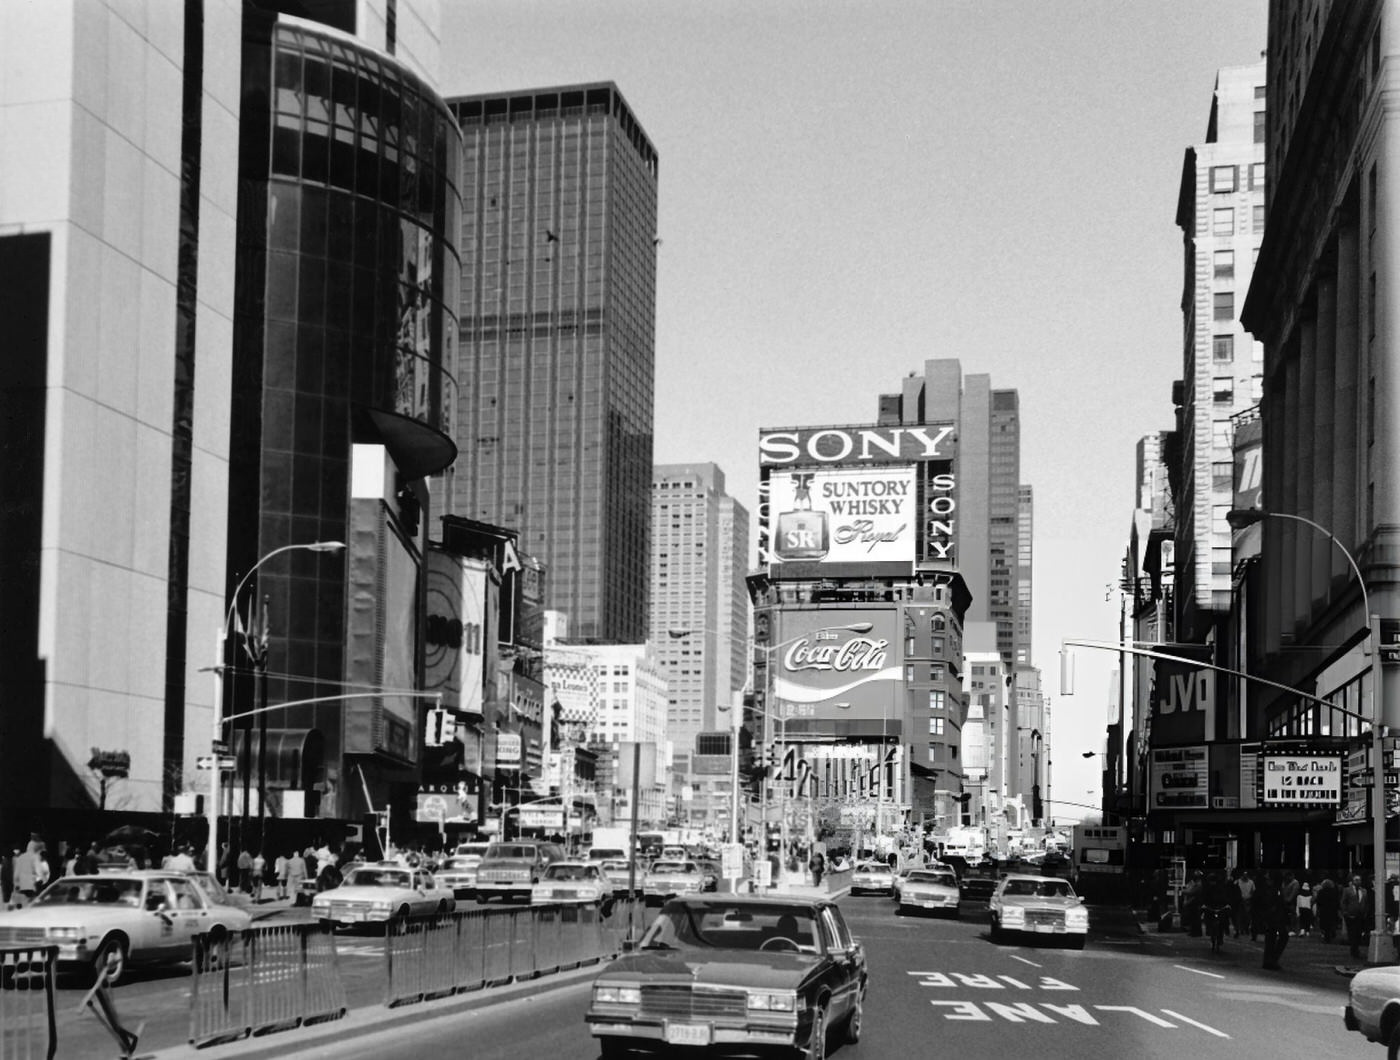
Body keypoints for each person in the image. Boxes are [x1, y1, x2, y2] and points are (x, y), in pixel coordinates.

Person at [1259, 871, 1289, 970]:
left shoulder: (1271, 889)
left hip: (1272, 917)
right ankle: (1272, 959)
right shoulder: (1274, 890)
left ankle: (1269, 960)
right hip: (1275, 918)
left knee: (1271, 938)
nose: (1267, 880)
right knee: (1281, 937)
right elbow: (1275, 905)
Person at [1342, 873, 1371, 960]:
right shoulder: (1347, 890)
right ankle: (1354, 950)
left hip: (1360, 916)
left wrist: (1365, 912)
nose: (1358, 882)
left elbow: (1366, 903)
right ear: (1353, 881)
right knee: (1352, 933)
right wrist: (1345, 912)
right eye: (1356, 880)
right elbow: (1343, 902)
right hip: (1350, 915)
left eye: (1359, 880)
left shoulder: (1364, 891)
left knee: (1358, 933)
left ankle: (1355, 948)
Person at [1314, 874, 1341, 944]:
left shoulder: (1321, 892)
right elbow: (1337, 901)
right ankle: (1332, 933)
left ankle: (1327, 938)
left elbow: (1318, 901)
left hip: (1324, 911)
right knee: (1331, 924)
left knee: (1325, 926)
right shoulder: (1334, 892)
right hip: (1332, 910)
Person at [1236, 869, 1256, 939]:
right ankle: (1241, 929)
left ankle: (1246, 928)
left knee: (1247, 916)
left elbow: (1253, 891)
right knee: (1240, 915)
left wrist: (1250, 898)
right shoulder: (1238, 881)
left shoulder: (1251, 882)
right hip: (1240, 901)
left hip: (1248, 901)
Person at [1280, 870, 1300, 935]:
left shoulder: (1295, 882)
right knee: (1284, 916)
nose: (1286, 878)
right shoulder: (1284, 882)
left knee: (1292, 916)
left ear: (1291, 876)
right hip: (1284, 902)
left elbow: (1293, 893)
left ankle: (1293, 930)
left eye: (1288, 876)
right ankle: (1286, 929)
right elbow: (1282, 891)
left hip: (1292, 903)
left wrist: (1288, 900)